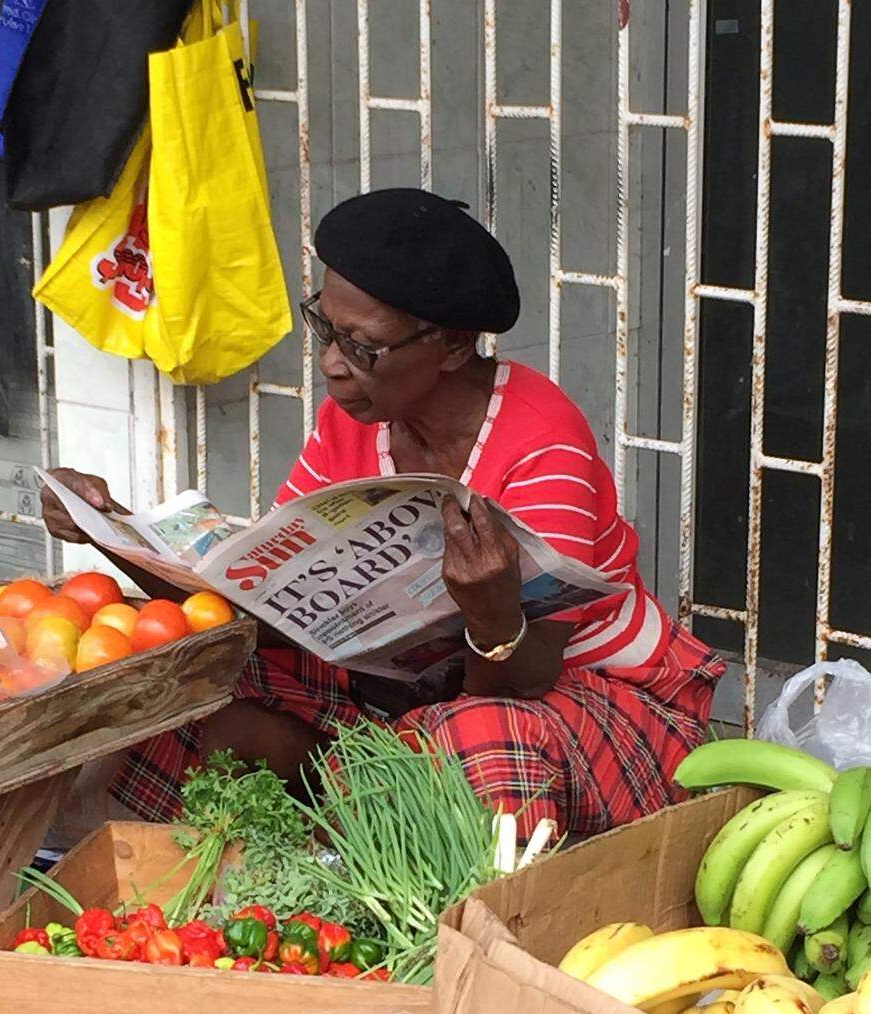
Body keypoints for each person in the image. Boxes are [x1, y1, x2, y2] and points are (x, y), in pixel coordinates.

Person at [42, 188, 724, 841]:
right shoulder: (354, 421)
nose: (334, 367)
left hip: (587, 698)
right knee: (180, 674)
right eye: (324, 331)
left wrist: (490, 612)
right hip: (404, 694)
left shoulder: (542, 437)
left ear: (454, 345)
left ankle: (377, 840)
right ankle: (294, 829)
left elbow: (525, 679)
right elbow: (259, 610)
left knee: (471, 745)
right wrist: (112, 530)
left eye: (363, 347)